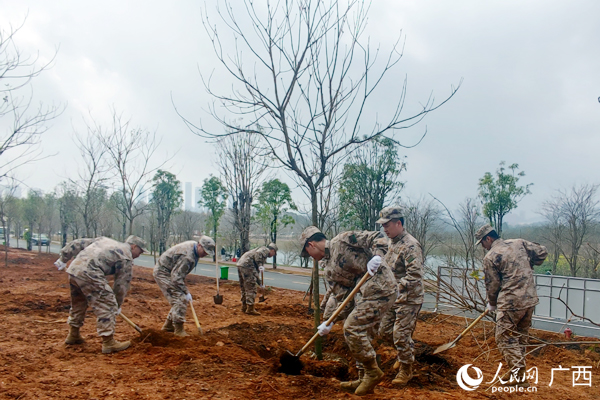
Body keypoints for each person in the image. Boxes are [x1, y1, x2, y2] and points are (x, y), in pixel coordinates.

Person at [301, 226, 397, 396]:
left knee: (353, 328)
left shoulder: (343, 240)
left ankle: (373, 372)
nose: (311, 258)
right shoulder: (329, 269)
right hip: (366, 296)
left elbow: (378, 236)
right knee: (356, 330)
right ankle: (362, 376)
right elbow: (341, 298)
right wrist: (328, 322)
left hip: (382, 289)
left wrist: (377, 257)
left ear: (311, 245)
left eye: (308, 254)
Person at [475, 224, 547, 387]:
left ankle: (519, 376)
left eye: (482, 243)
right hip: (529, 300)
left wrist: (492, 304)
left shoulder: (491, 256)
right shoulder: (519, 243)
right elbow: (542, 251)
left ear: (488, 238)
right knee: (520, 336)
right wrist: (531, 262)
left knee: (504, 337)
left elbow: (492, 284)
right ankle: (516, 371)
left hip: (511, 303)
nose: (483, 247)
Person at [63, 235, 146, 354]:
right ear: (134, 246)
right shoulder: (126, 256)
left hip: (74, 270)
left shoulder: (105, 240)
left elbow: (77, 243)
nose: (140, 255)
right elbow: (121, 285)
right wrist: (116, 305)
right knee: (107, 304)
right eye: (140, 251)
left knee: (79, 303)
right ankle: (109, 342)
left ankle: (73, 334)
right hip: (90, 273)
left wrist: (63, 257)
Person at [376, 206, 424, 387]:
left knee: (400, 335)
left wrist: (395, 287)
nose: (385, 229)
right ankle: (405, 352)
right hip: (393, 297)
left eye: (387, 225)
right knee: (384, 331)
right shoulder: (391, 242)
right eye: (383, 226)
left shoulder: (411, 245)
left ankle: (406, 370)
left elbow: (415, 276)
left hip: (409, 298)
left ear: (398, 223)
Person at [153, 235, 215, 336]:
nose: (205, 254)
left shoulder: (194, 249)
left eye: (207, 253)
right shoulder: (188, 257)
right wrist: (186, 292)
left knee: (179, 298)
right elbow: (176, 278)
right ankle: (178, 330)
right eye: (204, 251)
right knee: (180, 298)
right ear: (199, 245)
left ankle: (168, 326)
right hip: (163, 272)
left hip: (171, 272)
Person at [237, 243, 278, 315]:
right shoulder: (265, 250)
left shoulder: (261, 249)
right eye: (274, 253)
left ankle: (244, 306)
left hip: (241, 264)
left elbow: (256, 272)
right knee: (251, 287)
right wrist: (260, 265)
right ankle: (250, 308)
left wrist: (259, 282)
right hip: (247, 265)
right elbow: (257, 256)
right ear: (272, 250)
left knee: (244, 287)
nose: (273, 255)